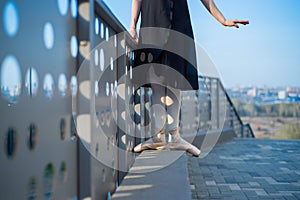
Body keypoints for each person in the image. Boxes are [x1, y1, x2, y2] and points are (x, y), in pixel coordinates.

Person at [129, 0, 249, 157]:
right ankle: (158, 136)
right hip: (152, 19)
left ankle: (174, 136)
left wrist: (223, 20)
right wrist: (132, 26)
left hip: (178, 21)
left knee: (174, 78)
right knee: (156, 80)